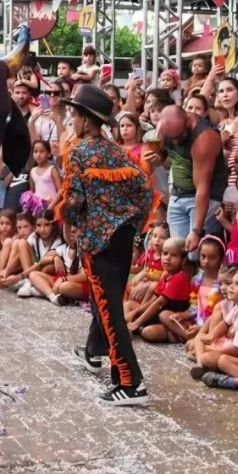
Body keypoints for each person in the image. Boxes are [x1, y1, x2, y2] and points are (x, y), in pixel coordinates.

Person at [56, 85, 154, 405]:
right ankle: (95, 351)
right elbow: (144, 192)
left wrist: (68, 224)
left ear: (86, 120)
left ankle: (131, 382)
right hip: (123, 237)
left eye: (74, 115)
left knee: (110, 308)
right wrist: (136, 232)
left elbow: (74, 197)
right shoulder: (117, 152)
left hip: (98, 240)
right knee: (105, 301)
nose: (71, 120)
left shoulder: (80, 151)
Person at [158, 104, 227, 252]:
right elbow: (164, 158)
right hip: (178, 195)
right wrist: (156, 158)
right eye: (171, 137)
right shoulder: (165, 129)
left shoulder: (204, 138)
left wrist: (196, 231)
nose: (175, 141)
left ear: (188, 120)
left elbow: (203, 188)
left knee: (197, 254)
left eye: (178, 136)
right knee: (178, 253)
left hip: (204, 197)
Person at [27, 140, 61, 209]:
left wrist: (51, 206)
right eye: (36, 151)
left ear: (49, 154)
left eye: (42, 151)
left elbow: (60, 190)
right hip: (38, 208)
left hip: (52, 206)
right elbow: (32, 191)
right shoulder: (32, 171)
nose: (38, 154)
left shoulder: (52, 169)